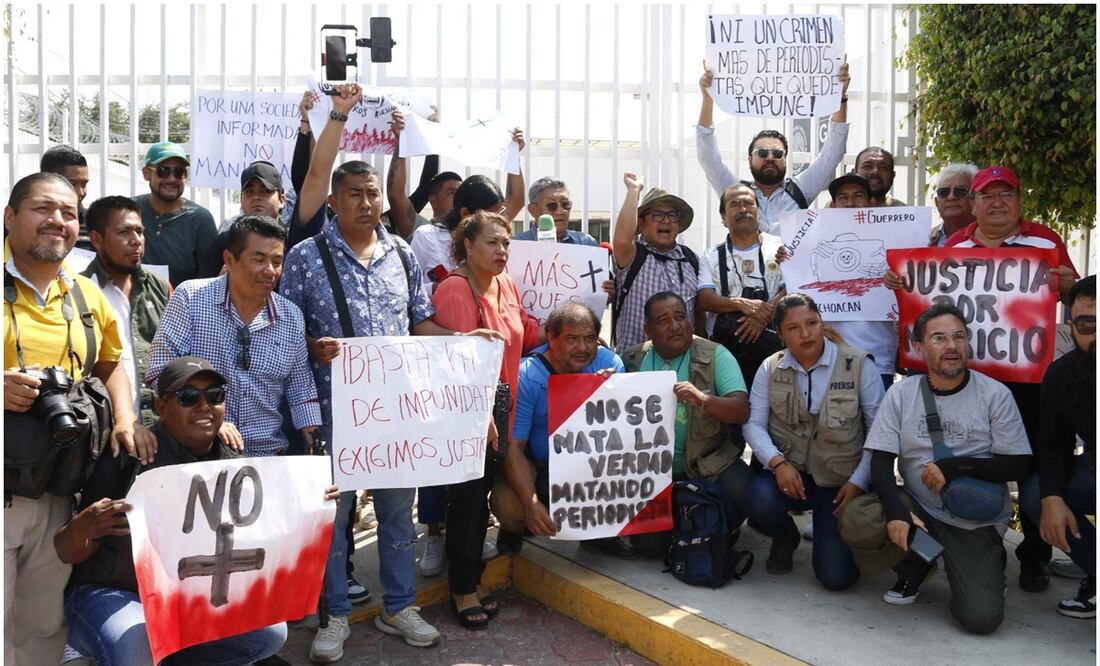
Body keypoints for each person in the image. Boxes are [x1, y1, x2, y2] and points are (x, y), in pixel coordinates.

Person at [280, 83, 492, 656]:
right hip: (330, 414)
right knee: (335, 519)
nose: (367, 203)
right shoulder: (304, 257)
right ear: (334, 201)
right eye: (354, 194)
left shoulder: (401, 253)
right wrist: (312, 347)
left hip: (394, 415)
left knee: (399, 516)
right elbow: (285, 332)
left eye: (373, 194)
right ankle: (336, 616)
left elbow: (421, 324)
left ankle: (399, 608)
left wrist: (463, 339)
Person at [886, 165, 1079, 592]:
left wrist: (1067, 285)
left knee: (1029, 462)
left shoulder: (1045, 241)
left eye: (1004, 193)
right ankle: (964, 531)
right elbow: (935, 304)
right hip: (970, 379)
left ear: (1019, 199)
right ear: (972, 204)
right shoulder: (957, 243)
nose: (996, 203)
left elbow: (1075, 298)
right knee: (966, 457)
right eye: (985, 195)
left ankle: (1033, 556)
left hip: (1029, 379)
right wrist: (903, 286)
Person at [54, 356, 295, 666]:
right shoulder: (130, 457)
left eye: (215, 396)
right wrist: (85, 525)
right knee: (135, 644)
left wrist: (315, 506)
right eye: (188, 397)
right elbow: (65, 550)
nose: (204, 406)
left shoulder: (230, 456)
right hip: (113, 590)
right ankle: (91, 650)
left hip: (186, 595)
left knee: (270, 633)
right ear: (160, 406)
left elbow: (265, 531)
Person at [4, 172, 153, 666]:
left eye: (69, 213)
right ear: (9, 217)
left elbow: (111, 364)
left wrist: (125, 418)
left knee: (42, 623)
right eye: (43, 209)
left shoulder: (86, 297)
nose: (58, 221)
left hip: (60, 488)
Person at [837, 303, 1031, 634]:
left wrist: (953, 467)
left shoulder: (995, 395)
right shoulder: (901, 394)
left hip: (973, 521)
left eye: (959, 337)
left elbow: (1019, 464)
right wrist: (897, 512)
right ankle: (916, 566)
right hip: (920, 513)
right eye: (939, 338)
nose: (951, 346)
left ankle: (985, 561)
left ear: (968, 342)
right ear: (919, 347)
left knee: (981, 620)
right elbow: (881, 462)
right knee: (860, 518)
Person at [431, 210, 542, 627]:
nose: (502, 251)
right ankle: (461, 589)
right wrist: (481, 417)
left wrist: (572, 326)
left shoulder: (507, 283)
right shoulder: (455, 289)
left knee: (480, 506)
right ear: (468, 246)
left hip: (504, 403)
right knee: (467, 502)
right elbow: (460, 363)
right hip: (470, 408)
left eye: (507, 243)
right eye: (492, 243)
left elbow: (525, 332)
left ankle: (472, 579)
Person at [146, 215, 321, 458]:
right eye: (258, 260)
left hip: (267, 459)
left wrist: (316, 449)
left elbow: (301, 390)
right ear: (229, 259)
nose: (270, 271)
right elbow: (159, 372)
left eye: (277, 261)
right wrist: (211, 420)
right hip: (199, 457)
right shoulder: (190, 299)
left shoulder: (291, 317)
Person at [741, 293, 884, 589]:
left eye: (812, 323)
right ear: (780, 334)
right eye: (793, 328)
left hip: (840, 483)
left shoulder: (859, 365)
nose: (805, 334)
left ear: (822, 323)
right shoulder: (770, 368)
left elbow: (879, 435)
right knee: (757, 497)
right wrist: (777, 463)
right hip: (790, 477)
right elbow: (753, 424)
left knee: (836, 578)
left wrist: (858, 481)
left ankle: (836, 531)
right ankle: (786, 535)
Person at [621, 292, 752, 558]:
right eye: (663, 320)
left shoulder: (716, 355)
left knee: (746, 489)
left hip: (707, 465)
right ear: (647, 329)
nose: (675, 325)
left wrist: (704, 400)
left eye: (680, 317)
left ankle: (718, 523)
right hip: (653, 474)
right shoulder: (632, 360)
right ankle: (689, 522)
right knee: (648, 549)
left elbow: (740, 410)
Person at [491, 303, 624, 552]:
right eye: (572, 339)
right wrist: (531, 505)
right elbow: (514, 448)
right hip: (537, 465)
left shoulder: (611, 365)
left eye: (590, 339)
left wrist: (610, 391)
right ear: (551, 338)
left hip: (586, 466)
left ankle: (596, 533)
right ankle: (513, 529)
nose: (582, 348)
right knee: (512, 508)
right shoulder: (527, 376)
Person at [697, 62, 851, 234]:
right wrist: (707, 98)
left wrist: (840, 97)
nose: (770, 157)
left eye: (777, 153)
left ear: (785, 159)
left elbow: (832, 155)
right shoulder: (735, 191)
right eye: (762, 153)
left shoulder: (801, 188)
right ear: (749, 160)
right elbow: (708, 158)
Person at [1019, 275, 1095, 618]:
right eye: (1088, 323)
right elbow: (1053, 444)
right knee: (1038, 495)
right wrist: (1052, 496)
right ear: (1071, 326)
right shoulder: (1061, 375)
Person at [80, 196, 170, 426]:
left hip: (160, 426)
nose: (136, 241)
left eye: (139, 231)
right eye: (124, 232)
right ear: (96, 239)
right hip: (103, 428)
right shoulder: (79, 291)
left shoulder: (161, 288)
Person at [612, 172, 715, 352]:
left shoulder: (690, 259)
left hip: (682, 362)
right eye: (658, 214)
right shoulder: (633, 255)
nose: (666, 220)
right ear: (641, 224)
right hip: (635, 363)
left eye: (672, 215)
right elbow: (621, 241)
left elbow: (698, 312)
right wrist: (634, 190)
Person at [698, 183, 785, 388]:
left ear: (758, 211)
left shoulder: (781, 246)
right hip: (725, 351)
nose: (743, 209)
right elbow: (705, 299)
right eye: (735, 204)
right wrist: (741, 304)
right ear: (723, 217)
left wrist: (763, 315)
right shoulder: (710, 255)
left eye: (749, 203)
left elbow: (794, 288)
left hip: (774, 349)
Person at [826, 174, 899, 389]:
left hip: (877, 358)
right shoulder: (814, 242)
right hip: (828, 357)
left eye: (858, 196)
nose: (850, 203)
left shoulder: (893, 240)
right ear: (833, 205)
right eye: (843, 197)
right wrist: (792, 258)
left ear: (872, 203)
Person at [135, 141, 217, 286]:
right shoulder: (130, 210)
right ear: (146, 173)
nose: (172, 179)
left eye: (179, 172)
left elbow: (208, 281)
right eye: (163, 171)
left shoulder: (200, 220)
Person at [198, 160, 288, 279]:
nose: (256, 197)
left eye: (265, 191)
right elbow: (203, 289)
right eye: (249, 192)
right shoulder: (223, 243)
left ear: (281, 200)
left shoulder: (292, 241)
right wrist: (219, 283)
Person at [513, 177, 599, 245]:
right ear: (532, 210)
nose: (560, 212)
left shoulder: (586, 243)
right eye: (551, 205)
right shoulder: (517, 245)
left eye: (565, 204)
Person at [40, 145, 92, 250]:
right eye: (72, 184)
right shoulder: (23, 221)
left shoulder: (93, 222)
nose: (81, 192)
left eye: (84, 184)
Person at [928, 163, 977, 246]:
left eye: (960, 191)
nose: (951, 197)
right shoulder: (924, 239)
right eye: (944, 192)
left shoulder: (993, 238)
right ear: (936, 202)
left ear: (975, 199)